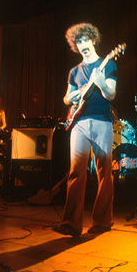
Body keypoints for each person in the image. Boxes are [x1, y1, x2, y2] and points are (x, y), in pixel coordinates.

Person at [53, 23, 117, 238]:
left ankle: (102, 220)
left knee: (104, 172)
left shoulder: (107, 65)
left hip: (101, 122)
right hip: (79, 123)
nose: (82, 45)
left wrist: (101, 83)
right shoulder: (74, 72)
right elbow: (67, 97)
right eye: (77, 42)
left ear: (93, 40)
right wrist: (68, 98)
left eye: (84, 40)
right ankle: (71, 223)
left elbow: (111, 95)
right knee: (75, 171)